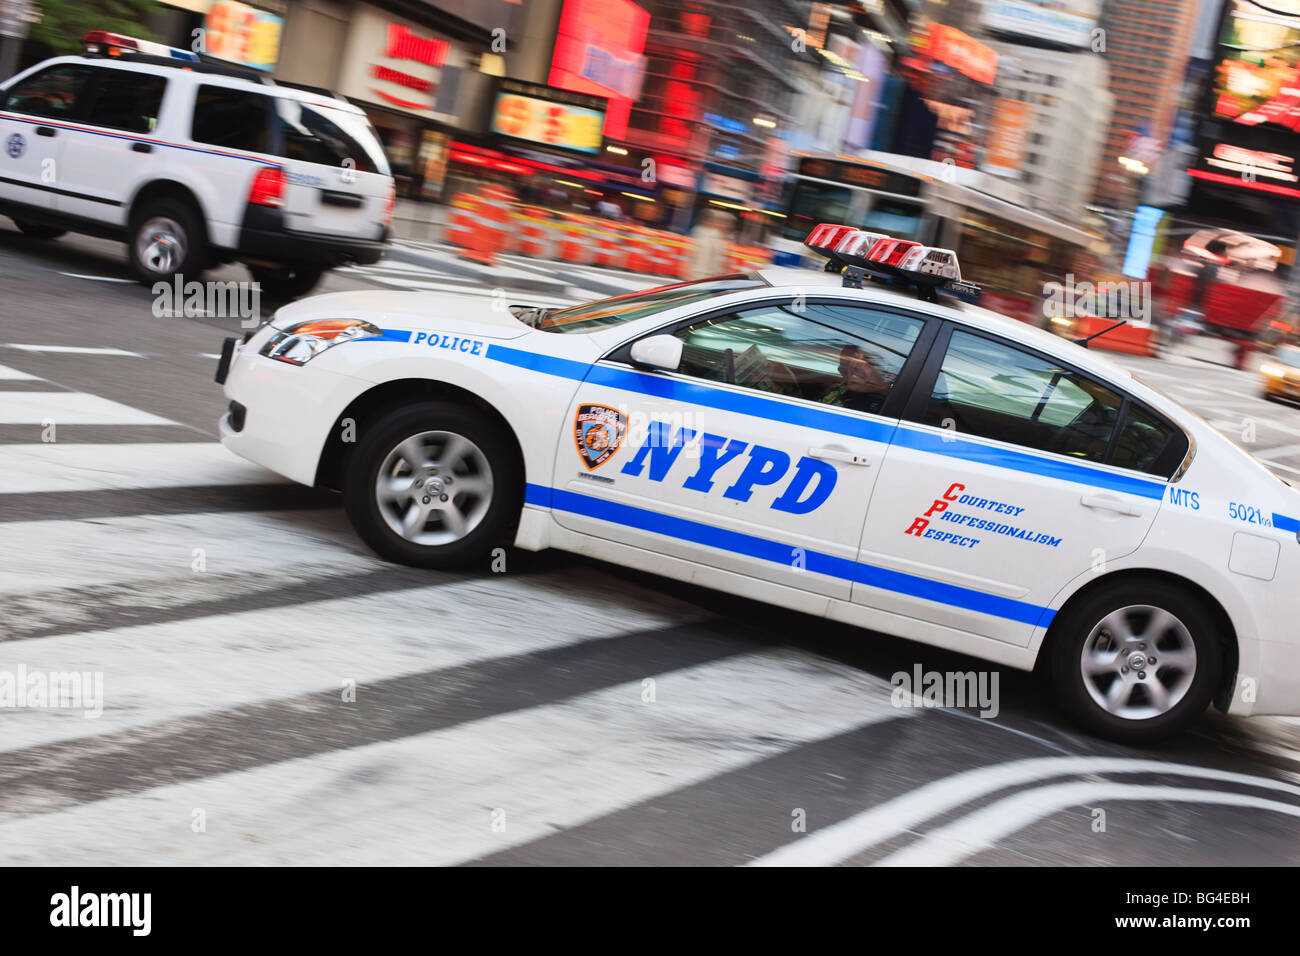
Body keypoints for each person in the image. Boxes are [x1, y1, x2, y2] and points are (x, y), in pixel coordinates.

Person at [823, 344, 890, 413]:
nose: (853, 365)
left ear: (889, 376)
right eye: (855, 358)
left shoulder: (879, 410)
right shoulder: (839, 389)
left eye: (868, 361)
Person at [688, 210, 734, 279]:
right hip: (699, 274)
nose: (727, 226)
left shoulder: (724, 239)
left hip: (711, 277)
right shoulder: (701, 233)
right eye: (723, 223)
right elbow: (691, 255)